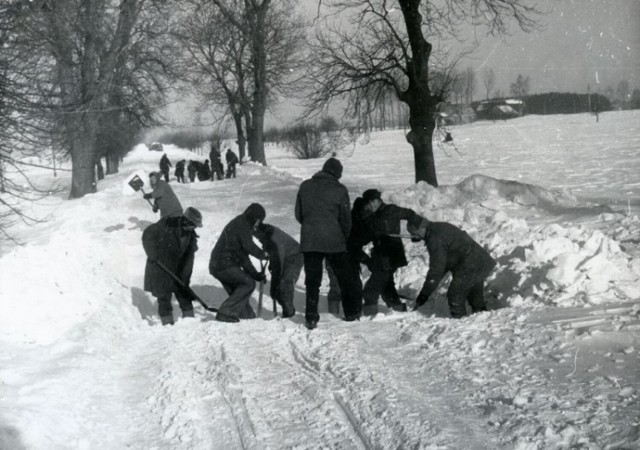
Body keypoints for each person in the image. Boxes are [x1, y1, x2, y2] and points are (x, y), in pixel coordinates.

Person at [295, 157, 361, 329]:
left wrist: (312, 226)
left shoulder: (305, 186)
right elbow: (346, 220)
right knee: (344, 278)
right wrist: (343, 237)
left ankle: (311, 317)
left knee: (312, 280)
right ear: (337, 174)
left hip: (310, 240)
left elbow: (298, 214)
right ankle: (351, 313)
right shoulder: (340, 189)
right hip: (334, 241)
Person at [408, 217, 497, 318]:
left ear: (421, 228)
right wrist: (427, 291)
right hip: (479, 260)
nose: (414, 236)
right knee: (475, 297)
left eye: (414, 233)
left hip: (469, 265)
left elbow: (436, 269)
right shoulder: (438, 227)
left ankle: (460, 325)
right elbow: (444, 263)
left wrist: (424, 294)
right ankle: (483, 320)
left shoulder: (434, 239)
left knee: (455, 296)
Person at [360, 189, 423, 315]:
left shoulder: (392, 210)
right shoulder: (369, 216)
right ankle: (399, 311)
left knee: (370, 290)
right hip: (379, 255)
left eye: (373, 202)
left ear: (379, 200)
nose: (371, 205)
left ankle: (368, 322)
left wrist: (414, 230)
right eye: (368, 203)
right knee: (387, 287)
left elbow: (411, 215)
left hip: (391, 255)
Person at [142, 207, 203, 325]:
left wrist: (185, 276)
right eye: (193, 225)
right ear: (186, 221)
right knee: (163, 294)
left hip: (178, 267)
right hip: (161, 265)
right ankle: (167, 323)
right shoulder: (167, 225)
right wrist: (152, 253)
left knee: (183, 290)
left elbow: (189, 259)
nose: (194, 228)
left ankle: (190, 320)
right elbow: (148, 234)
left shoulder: (190, 236)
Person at [209, 203, 269, 323]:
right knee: (248, 283)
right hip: (223, 264)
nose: (257, 224)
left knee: (241, 293)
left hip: (220, 265)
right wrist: (263, 254)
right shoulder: (241, 224)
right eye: (258, 220)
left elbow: (243, 258)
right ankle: (225, 312)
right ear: (253, 217)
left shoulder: (242, 226)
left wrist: (255, 274)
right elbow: (248, 246)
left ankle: (248, 318)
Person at [254, 223, 303, 318]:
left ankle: (289, 312)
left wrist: (276, 278)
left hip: (295, 256)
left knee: (285, 283)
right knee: (277, 288)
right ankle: (286, 308)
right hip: (285, 256)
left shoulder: (273, 236)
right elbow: (273, 252)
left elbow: (279, 256)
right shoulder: (265, 234)